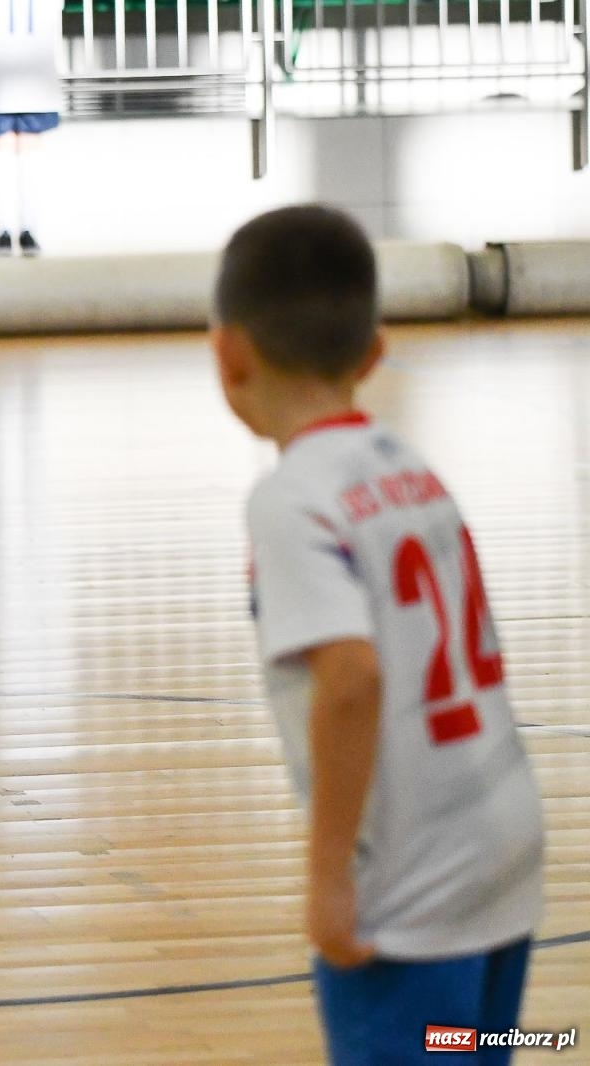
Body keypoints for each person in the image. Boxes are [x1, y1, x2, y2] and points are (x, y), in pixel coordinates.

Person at [214, 205, 544, 1065]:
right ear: (373, 351)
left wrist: (328, 880)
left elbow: (352, 678)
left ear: (228, 354)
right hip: (503, 852)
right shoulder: (410, 466)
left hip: (412, 889)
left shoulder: (290, 500)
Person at [0, 0, 61, 256]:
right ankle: (29, 232)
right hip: (38, 67)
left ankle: (3, 232)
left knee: (0, 146)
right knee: (31, 145)